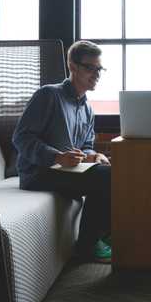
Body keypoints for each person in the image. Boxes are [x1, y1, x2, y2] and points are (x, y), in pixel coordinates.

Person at [12, 40, 112, 263]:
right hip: (38, 173)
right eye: (90, 68)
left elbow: (86, 145)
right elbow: (21, 138)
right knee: (108, 178)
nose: (97, 74)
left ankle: (103, 235)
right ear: (73, 66)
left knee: (113, 171)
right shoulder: (48, 95)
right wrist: (57, 157)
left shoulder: (87, 109)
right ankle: (86, 247)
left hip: (68, 172)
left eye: (100, 69)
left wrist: (94, 155)